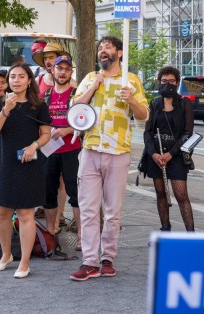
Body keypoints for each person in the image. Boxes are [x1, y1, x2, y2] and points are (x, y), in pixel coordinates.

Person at [69, 36, 148, 281]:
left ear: (119, 53)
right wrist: (94, 87)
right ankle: (90, 261)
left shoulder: (131, 80)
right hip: (91, 149)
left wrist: (131, 99)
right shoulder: (91, 78)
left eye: (108, 48)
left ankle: (108, 259)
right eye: (100, 48)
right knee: (89, 209)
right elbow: (75, 106)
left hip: (118, 152)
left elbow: (143, 115)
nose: (102, 51)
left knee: (113, 211)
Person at [0, 63, 51, 279]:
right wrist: (6, 110)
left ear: (29, 80)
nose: (15, 80)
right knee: (2, 211)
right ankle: (6, 255)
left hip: (28, 163)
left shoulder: (39, 105)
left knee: (25, 214)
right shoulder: (0, 101)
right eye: (12, 77)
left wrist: (34, 146)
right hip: (4, 161)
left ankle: (25, 261)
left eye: (21, 76)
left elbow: (45, 134)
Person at [143, 66, 194, 232]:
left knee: (181, 196)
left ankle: (191, 234)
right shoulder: (155, 103)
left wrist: (171, 154)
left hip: (176, 155)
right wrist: (154, 154)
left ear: (177, 82)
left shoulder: (185, 103)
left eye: (171, 81)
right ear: (160, 82)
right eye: (164, 81)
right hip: (156, 157)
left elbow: (187, 133)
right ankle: (165, 229)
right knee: (161, 194)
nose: (168, 84)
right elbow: (148, 132)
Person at [42, 55, 82, 249]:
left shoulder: (76, 95)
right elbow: (39, 122)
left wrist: (68, 130)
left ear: (71, 73)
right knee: (48, 192)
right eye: (59, 68)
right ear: (53, 70)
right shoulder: (46, 96)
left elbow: (85, 123)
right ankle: (51, 233)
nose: (63, 72)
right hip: (49, 150)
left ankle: (83, 237)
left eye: (66, 69)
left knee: (76, 194)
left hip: (71, 150)